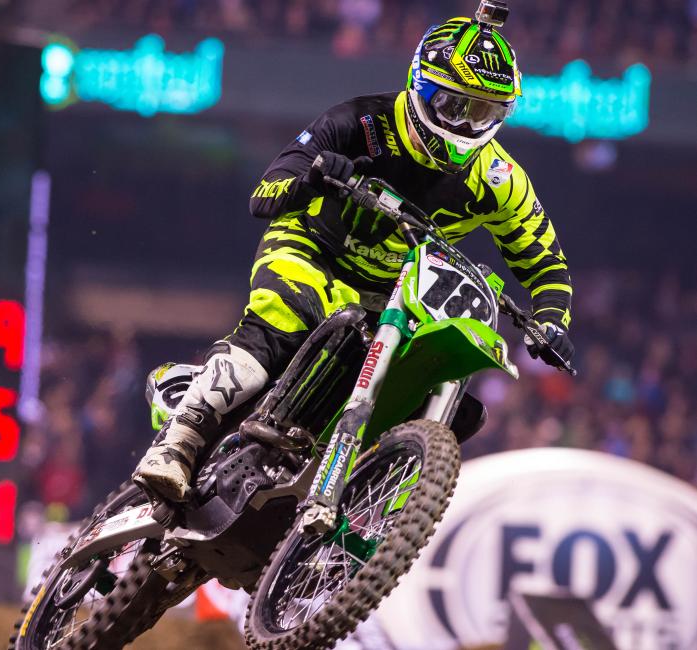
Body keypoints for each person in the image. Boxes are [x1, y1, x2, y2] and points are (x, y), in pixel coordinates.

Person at [133, 15, 575, 502]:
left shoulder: (501, 178)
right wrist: (313, 180)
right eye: (455, 106)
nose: (466, 125)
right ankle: (178, 442)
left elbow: (546, 264)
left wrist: (552, 320)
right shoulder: (358, 121)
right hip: (312, 250)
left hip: (396, 295)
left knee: (441, 396)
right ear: (421, 87)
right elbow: (265, 194)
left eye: (483, 112)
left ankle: (363, 508)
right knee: (279, 325)